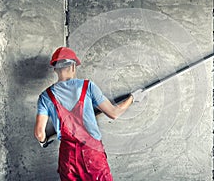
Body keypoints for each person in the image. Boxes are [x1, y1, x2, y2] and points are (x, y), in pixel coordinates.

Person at [34, 47, 146, 181]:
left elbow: (39, 133)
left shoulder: (45, 96)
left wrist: (44, 141)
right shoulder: (88, 86)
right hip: (91, 154)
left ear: (55, 69)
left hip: (67, 156)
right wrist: (132, 98)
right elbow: (114, 113)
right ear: (73, 66)